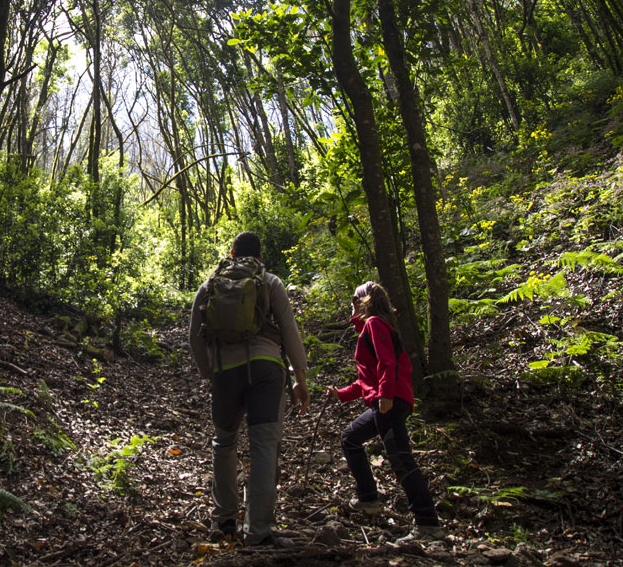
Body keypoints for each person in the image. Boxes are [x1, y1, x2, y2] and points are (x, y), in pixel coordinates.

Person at [189, 231, 310, 547]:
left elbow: (194, 336)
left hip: (225, 372)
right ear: (259, 256)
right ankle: (258, 532)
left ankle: (224, 521)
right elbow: (289, 330)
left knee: (224, 442)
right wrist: (300, 378)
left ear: (231, 253)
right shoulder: (270, 282)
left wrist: (209, 372)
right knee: (264, 447)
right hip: (267, 369)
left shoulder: (210, 285)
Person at [326, 280, 444, 544]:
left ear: (361, 302)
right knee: (350, 438)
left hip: (390, 401)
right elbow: (366, 380)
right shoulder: (372, 327)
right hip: (384, 400)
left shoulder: (374, 324)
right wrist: (340, 394)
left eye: (353, 300)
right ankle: (368, 499)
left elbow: (387, 362)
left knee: (401, 459)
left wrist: (386, 394)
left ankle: (427, 523)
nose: (351, 305)